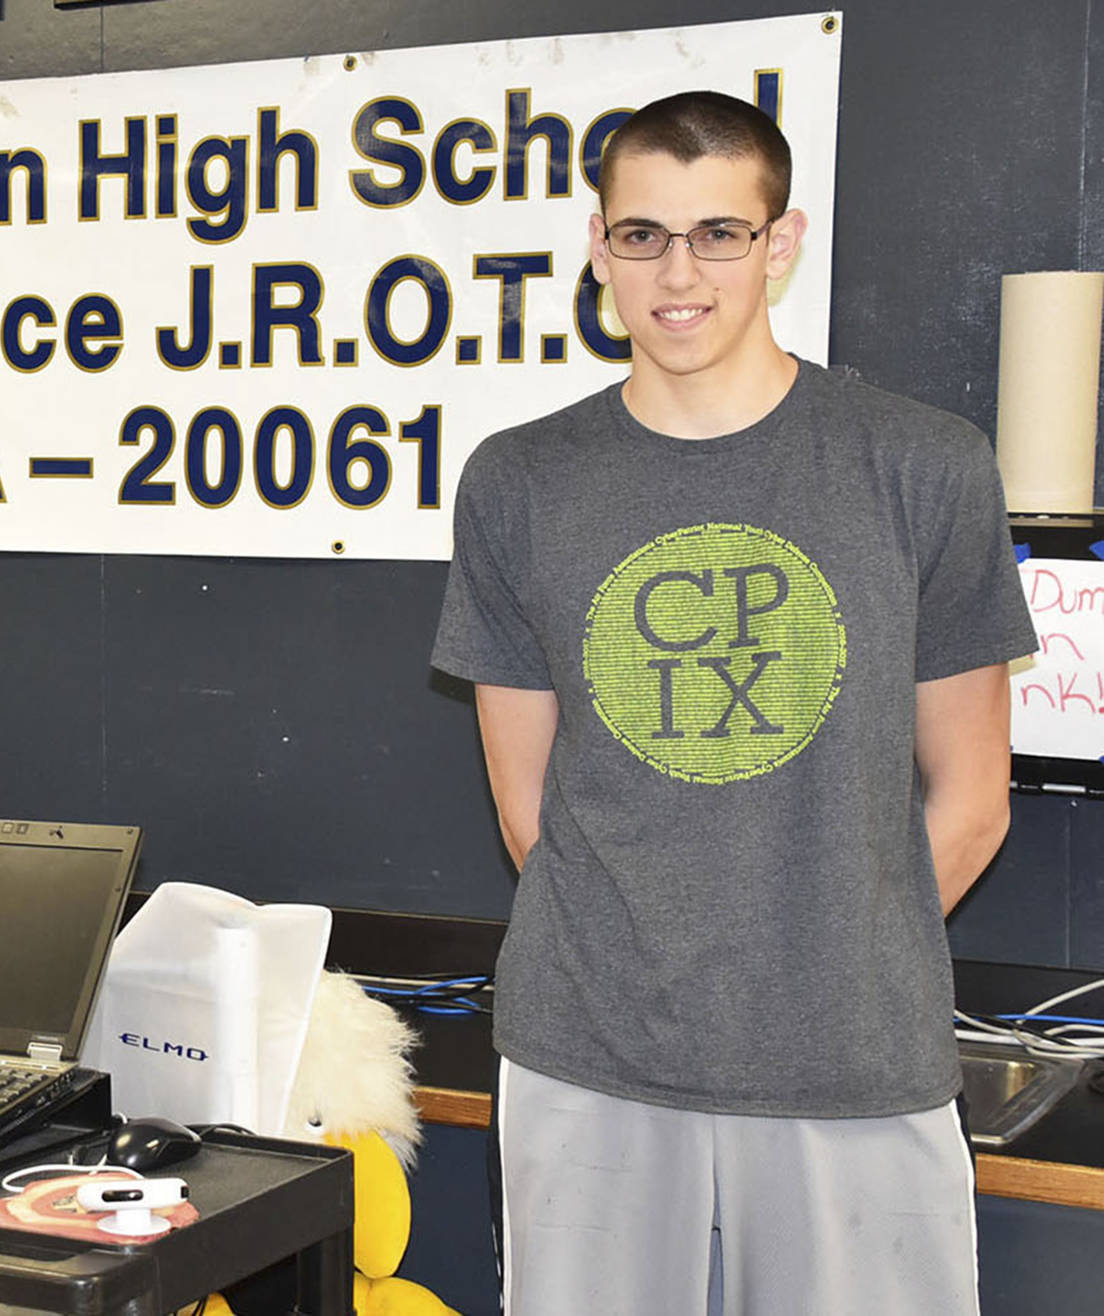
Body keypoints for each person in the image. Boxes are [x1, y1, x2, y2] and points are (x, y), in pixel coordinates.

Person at [431, 91, 1035, 1315]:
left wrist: (821, 976)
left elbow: (972, 797)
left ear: (781, 243)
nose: (677, 272)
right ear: (597, 247)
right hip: (590, 1062)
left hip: (853, 1067)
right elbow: (526, 806)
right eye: (642, 235)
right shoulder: (520, 480)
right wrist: (648, 977)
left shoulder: (921, 464)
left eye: (718, 233)